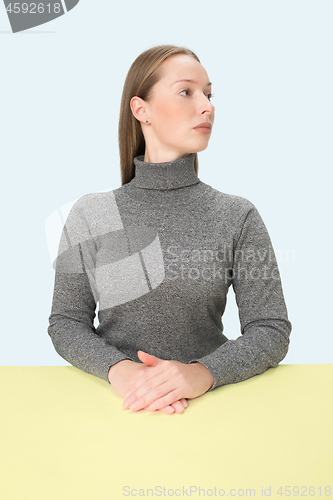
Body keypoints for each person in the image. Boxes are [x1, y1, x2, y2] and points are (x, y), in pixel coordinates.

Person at [48, 45, 292, 415]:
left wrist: (202, 373)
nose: (207, 106)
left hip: (213, 411)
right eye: (186, 91)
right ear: (140, 109)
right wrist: (121, 371)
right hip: (112, 410)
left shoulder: (237, 215)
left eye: (209, 94)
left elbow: (270, 329)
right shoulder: (92, 213)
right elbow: (66, 322)